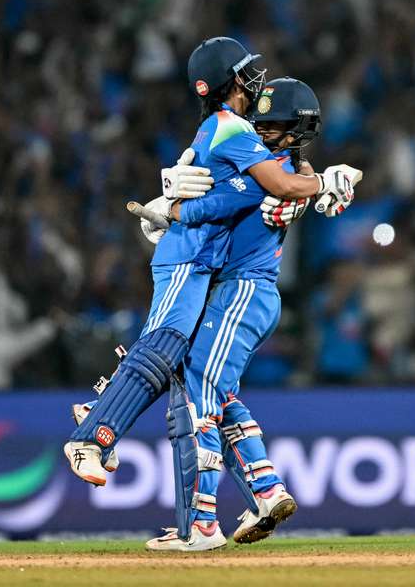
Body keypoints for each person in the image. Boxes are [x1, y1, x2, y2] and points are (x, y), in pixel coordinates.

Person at [62, 35, 358, 543]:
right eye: (249, 80)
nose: (262, 118)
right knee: (208, 388)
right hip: (229, 284)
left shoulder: (258, 153)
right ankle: (263, 488)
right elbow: (269, 189)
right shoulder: (254, 147)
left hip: (237, 288)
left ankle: (191, 516)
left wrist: (173, 208)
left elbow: (260, 193)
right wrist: (322, 183)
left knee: (192, 387)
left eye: (274, 123)